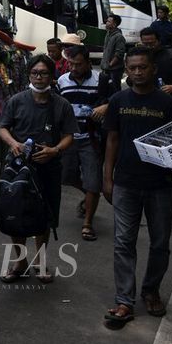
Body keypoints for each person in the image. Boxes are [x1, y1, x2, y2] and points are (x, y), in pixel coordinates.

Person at [102, 46, 172, 330]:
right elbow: (112, 140)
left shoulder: (168, 104)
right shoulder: (118, 100)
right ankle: (125, 300)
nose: (137, 72)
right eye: (132, 68)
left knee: (160, 243)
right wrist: (107, 178)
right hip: (125, 183)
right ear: (126, 70)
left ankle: (150, 290)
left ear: (153, 69)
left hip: (159, 184)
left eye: (142, 67)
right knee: (124, 242)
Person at [0, 54, 77, 283]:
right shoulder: (17, 100)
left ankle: (41, 263)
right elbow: (3, 128)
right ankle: (20, 261)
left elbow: (69, 136)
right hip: (19, 169)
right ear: (29, 74)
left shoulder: (61, 104)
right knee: (15, 213)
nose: (39, 77)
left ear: (52, 77)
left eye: (44, 73)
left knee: (45, 216)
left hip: (48, 169)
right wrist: (14, 144)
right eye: (35, 73)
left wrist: (54, 150)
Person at [57, 45, 110, 241]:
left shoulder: (101, 80)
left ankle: (87, 222)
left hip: (92, 138)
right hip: (69, 137)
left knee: (93, 181)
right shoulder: (62, 81)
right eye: (71, 64)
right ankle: (90, 193)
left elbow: (117, 100)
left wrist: (106, 106)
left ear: (88, 62)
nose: (73, 68)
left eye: (78, 64)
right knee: (67, 176)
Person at [139, 27, 172, 101]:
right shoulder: (139, 56)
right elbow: (130, 78)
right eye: (145, 44)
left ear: (158, 41)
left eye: (151, 43)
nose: (148, 46)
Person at [102, 14, 127, 92]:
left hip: (115, 70)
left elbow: (119, 53)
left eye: (109, 21)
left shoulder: (119, 37)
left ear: (114, 24)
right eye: (107, 21)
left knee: (115, 89)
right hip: (106, 68)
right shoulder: (108, 34)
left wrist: (110, 64)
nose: (106, 23)